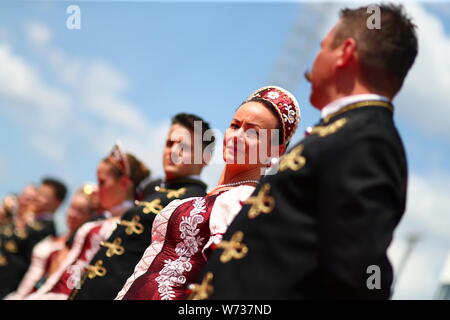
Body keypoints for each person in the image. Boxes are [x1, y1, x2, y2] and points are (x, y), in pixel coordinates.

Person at [194, 3, 418, 300]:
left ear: (345, 53)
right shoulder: (346, 131)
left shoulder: (368, 140)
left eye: (323, 46)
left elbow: (357, 276)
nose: (314, 60)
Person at [115, 85, 300, 300]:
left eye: (253, 132)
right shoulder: (205, 198)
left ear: (276, 151)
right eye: (234, 125)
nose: (237, 136)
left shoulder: (245, 203)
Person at [71, 113, 213, 300]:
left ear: (205, 157)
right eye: (169, 144)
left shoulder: (195, 203)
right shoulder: (151, 190)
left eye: (184, 146)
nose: (173, 151)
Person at [25, 144, 150, 299]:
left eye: (102, 182)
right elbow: (71, 278)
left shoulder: (128, 225)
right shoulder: (96, 226)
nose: (97, 189)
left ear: (124, 183)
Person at [4, 184, 98, 300]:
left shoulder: (82, 251)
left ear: (90, 216)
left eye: (80, 211)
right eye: (72, 208)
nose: (73, 214)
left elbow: (72, 287)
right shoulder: (52, 239)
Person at [0, 179, 67, 299]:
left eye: (43, 196)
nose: (36, 197)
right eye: (38, 193)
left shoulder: (46, 230)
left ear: (57, 203)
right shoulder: (27, 220)